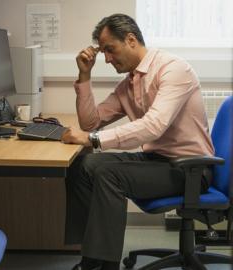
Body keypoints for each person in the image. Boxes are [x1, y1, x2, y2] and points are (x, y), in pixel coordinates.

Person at [61, 14, 214, 270]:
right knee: (83, 165)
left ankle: (104, 265)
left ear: (131, 40)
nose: (107, 59)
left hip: (190, 169)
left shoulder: (173, 69)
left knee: (109, 174)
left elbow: (154, 125)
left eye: (110, 50)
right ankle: (91, 256)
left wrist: (93, 139)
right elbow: (91, 122)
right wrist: (84, 76)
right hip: (157, 161)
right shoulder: (129, 85)